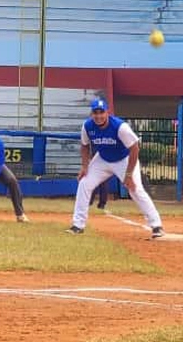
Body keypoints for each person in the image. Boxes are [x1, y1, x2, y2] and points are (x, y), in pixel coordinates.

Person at [68, 98, 165, 238]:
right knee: (84, 183)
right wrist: (85, 166)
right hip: (102, 159)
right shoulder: (88, 126)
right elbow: (84, 146)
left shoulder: (120, 127)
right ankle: (78, 225)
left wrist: (129, 174)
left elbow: (135, 148)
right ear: (91, 114)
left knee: (135, 189)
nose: (98, 116)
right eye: (95, 112)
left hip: (123, 160)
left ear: (107, 112)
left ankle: (156, 225)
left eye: (101, 112)